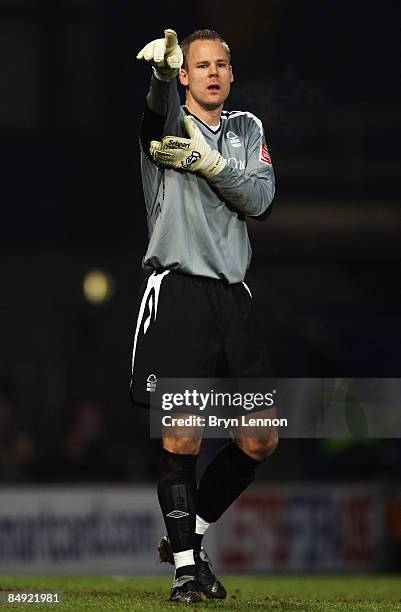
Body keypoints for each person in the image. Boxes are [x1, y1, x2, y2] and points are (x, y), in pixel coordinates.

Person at [131, 27, 278, 603]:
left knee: (261, 438)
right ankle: (187, 573)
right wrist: (160, 78)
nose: (213, 72)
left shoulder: (247, 129)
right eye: (200, 65)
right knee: (184, 432)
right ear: (186, 75)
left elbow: (261, 200)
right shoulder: (168, 121)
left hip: (234, 295)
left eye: (222, 64)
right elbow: (153, 128)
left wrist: (211, 163)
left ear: (231, 74)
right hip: (181, 294)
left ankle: (187, 536)